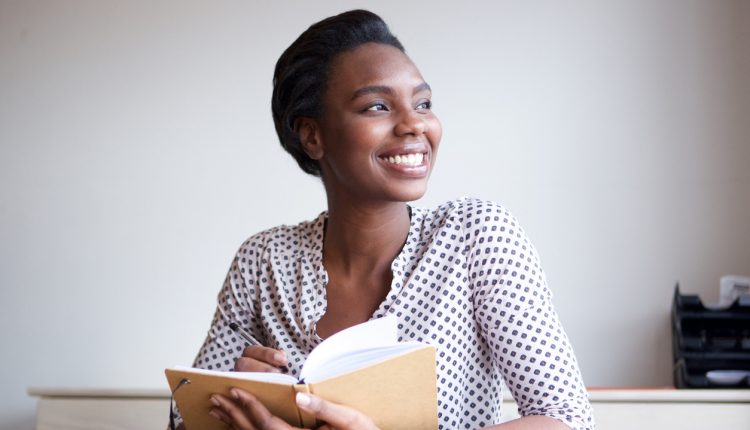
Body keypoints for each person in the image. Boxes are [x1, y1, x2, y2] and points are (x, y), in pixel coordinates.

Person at [176, 9, 594, 430]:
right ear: (312, 136)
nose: (415, 124)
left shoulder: (475, 237)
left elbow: (567, 419)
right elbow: (181, 420)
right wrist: (231, 403)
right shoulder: (262, 262)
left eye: (423, 103)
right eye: (377, 106)